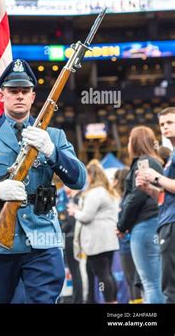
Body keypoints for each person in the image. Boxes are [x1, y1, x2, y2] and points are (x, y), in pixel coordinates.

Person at [0, 59, 87, 304]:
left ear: (34, 96)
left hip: (42, 241)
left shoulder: (53, 136)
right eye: (13, 91)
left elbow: (79, 180)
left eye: (25, 91)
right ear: (2, 95)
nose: (20, 96)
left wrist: (52, 152)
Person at [117, 126, 165, 303]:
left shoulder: (143, 162)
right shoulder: (153, 161)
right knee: (154, 281)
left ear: (136, 142)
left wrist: (121, 225)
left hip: (145, 225)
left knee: (151, 283)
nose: (128, 144)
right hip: (151, 224)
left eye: (130, 139)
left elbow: (136, 197)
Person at [136, 107, 175, 303]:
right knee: (168, 284)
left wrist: (156, 177)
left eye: (170, 122)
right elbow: (166, 193)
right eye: (162, 124)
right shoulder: (171, 157)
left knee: (170, 288)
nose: (165, 127)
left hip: (173, 224)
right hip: (167, 220)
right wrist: (148, 188)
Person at [68, 160, 120, 303]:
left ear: (91, 174)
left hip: (98, 241)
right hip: (108, 240)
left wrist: (75, 212)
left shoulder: (95, 192)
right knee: (107, 273)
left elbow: (86, 217)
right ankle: (112, 301)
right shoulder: (108, 192)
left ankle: (109, 301)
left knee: (102, 275)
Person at [113, 168, 143, 304]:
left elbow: (129, 221)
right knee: (131, 280)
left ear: (119, 181)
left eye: (114, 179)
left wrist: (123, 233)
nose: (112, 182)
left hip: (128, 244)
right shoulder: (124, 198)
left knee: (133, 280)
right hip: (125, 243)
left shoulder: (127, 199)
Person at [56, 185, 83, 303]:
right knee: (74, 271)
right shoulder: (75, 199)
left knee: (75, 271)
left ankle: (77, 299)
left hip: (71, 238)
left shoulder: (76, 199)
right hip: (71, 237)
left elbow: (71, 222)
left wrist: (60, 231)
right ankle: (76, 298)